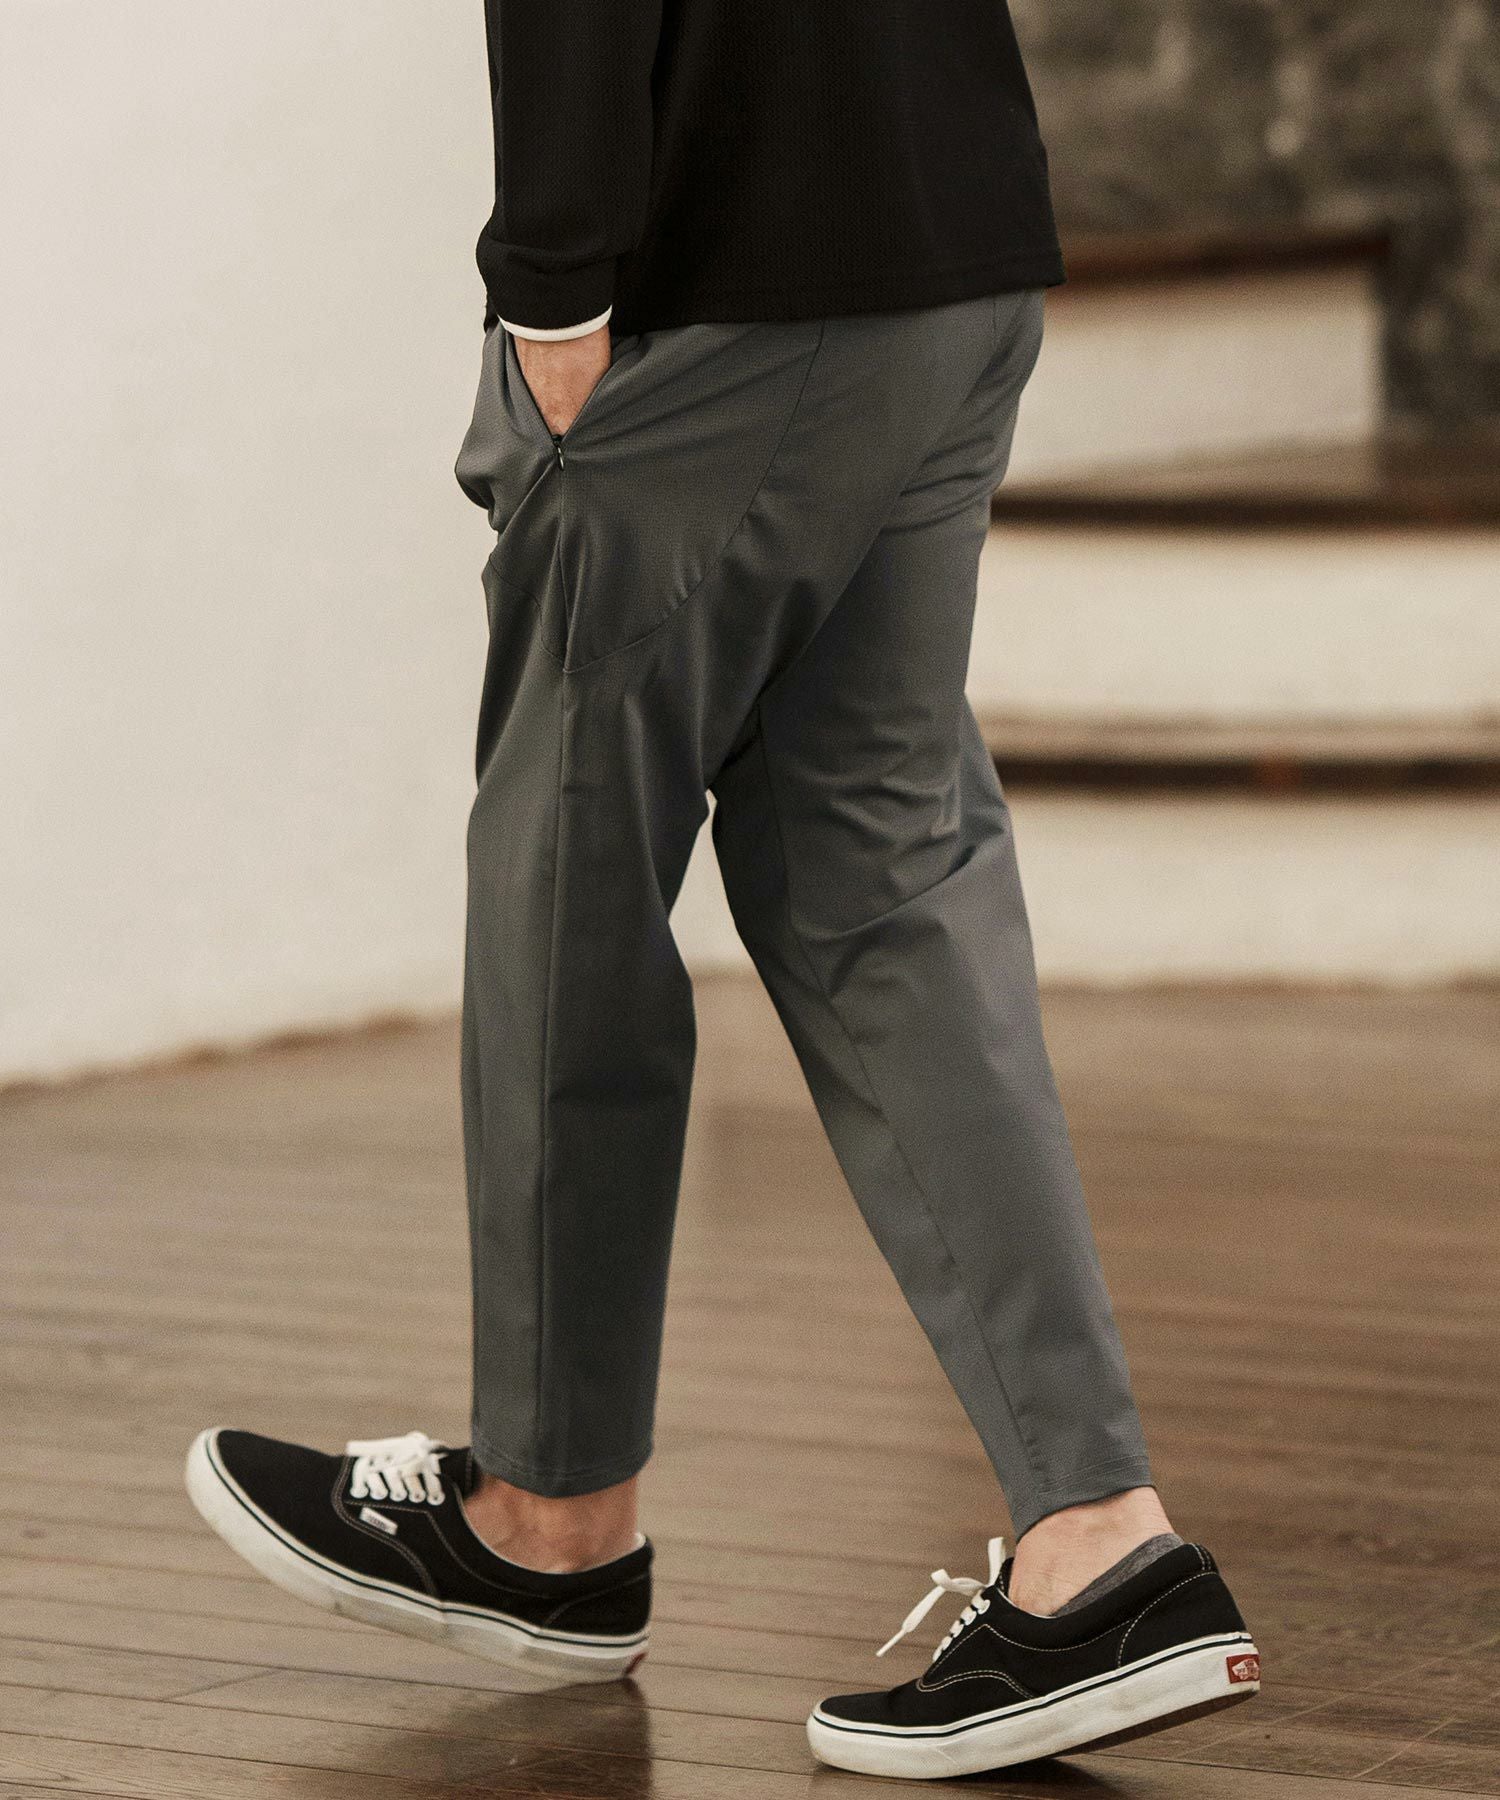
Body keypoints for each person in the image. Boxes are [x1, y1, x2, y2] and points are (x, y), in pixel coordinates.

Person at [185, 0, 1260, 1776]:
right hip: (950, 231)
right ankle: (1101, 1543)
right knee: (883, 888)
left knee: (565, 881)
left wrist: (552, 283)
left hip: (724, 283)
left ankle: (550, 1520)